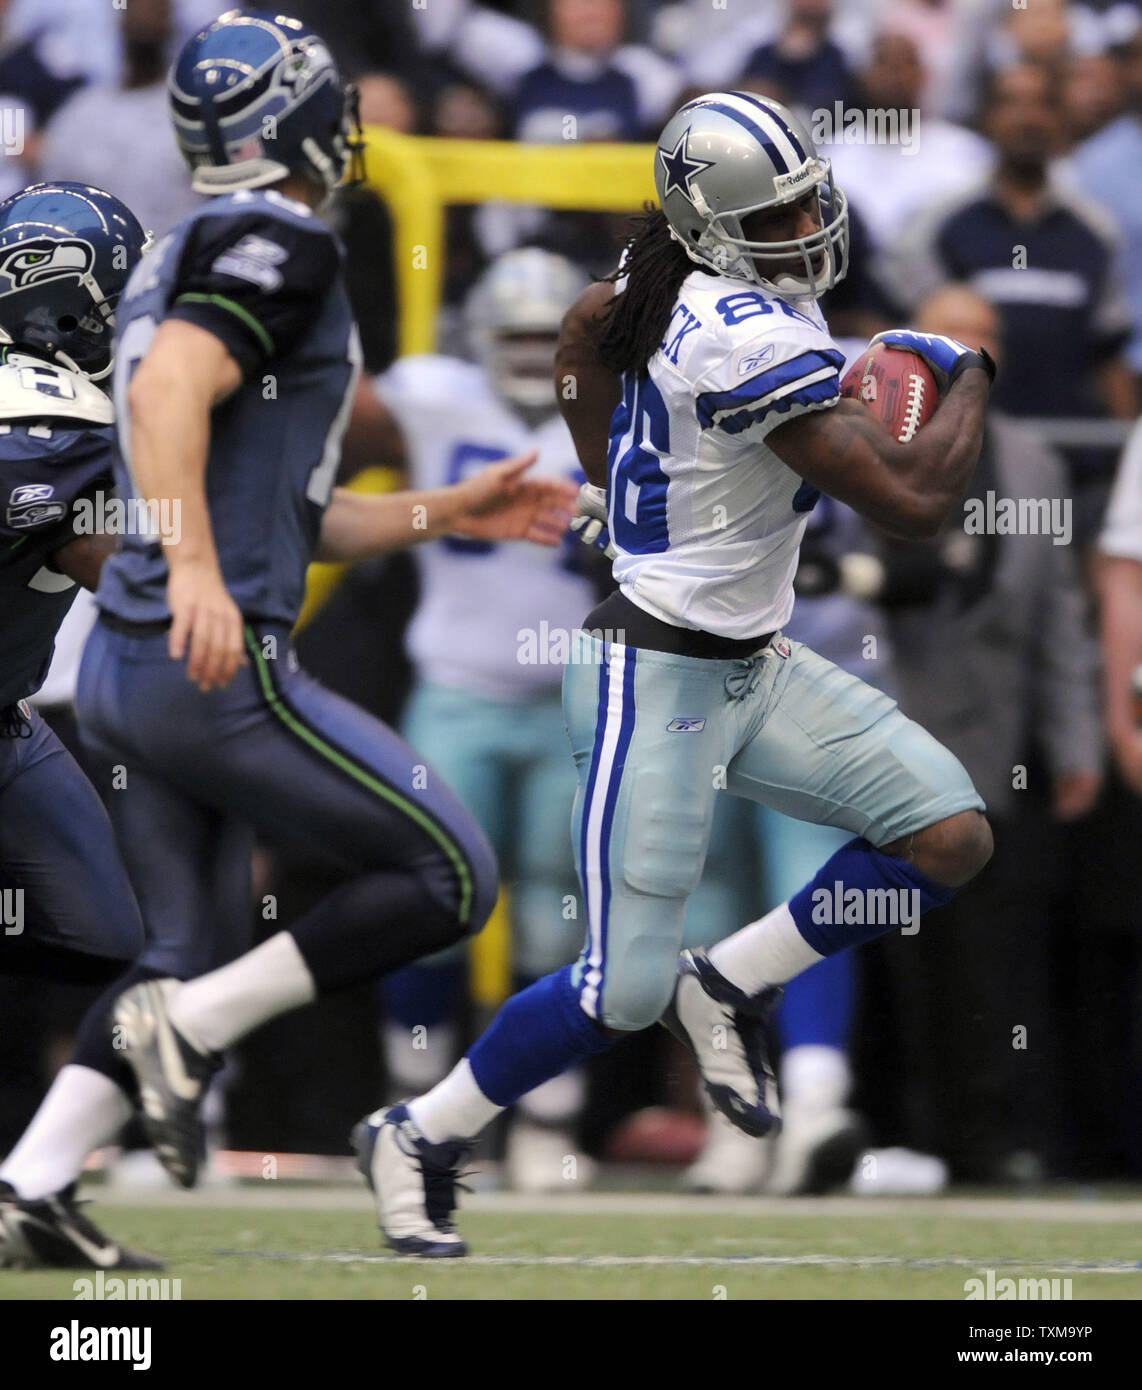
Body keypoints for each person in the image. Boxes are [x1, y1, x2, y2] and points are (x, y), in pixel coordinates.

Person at [356, 90, 996, 1257]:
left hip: (753, 661)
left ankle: (731, 978)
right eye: (778, 209)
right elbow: (910, 502)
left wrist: (614, 481)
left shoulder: (670, 287)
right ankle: (418, 1129)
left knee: (947, 835)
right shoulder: (745, 334)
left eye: (807, 195)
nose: (806, 221)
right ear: (708, 226)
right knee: (616, 993)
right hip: (650, 676)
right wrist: (969, 372)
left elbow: (581, 333)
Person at [0, 9, 574, 1269]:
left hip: (128, 668)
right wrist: (195, 572)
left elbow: (276, 501)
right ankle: (193, 1031)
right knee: (448, 874)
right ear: (290, 114)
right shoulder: (276, 235)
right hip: (204, 656)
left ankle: (33, 1180)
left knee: (173, 947)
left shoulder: (178, 252)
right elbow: (162, 399)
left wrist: (447, 509)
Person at [372, 248, 600, 1189]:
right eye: (513, 335)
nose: (528, 353)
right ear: (477, 337)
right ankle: (415, 1106)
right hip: (458, 688)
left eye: (546, 337)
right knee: (435, 905)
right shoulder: (428, 394)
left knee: (558, 919)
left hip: (574, 699)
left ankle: (548, 1125)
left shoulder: (614, 411)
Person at [0, 180, 156, 1268]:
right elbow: (131, 565)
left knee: (115, 944)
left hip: (6, 722)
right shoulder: (46, 424)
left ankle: (33, 1184)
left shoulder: (63, 414)